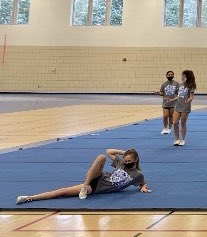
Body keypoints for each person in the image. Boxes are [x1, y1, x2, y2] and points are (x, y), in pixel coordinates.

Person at [16, 149, 149, 204]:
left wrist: (143, 187)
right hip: (96, 177)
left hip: (96, 188)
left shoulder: (137, 174)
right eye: (125, 161)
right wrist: (124, 153)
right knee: (101, 157)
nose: (127, 163)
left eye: (129, 161)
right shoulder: (120, 164)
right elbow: (109, 151)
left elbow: (142, 183)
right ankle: (85, 185)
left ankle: (29, 198)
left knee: (62, 192)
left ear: (136, 160)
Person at [172, 70, 196, 146]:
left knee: (183, 123)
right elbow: (178, 95)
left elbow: (191, 97)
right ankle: (176, 139)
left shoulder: (191, 85)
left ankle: (182, 139)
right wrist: (172, 99)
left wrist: (188, 100)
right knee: (175, 122)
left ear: (186, 76)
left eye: (183, 75)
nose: (181, 77)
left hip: (185, 106)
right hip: (178, 106)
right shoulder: (180, 84)